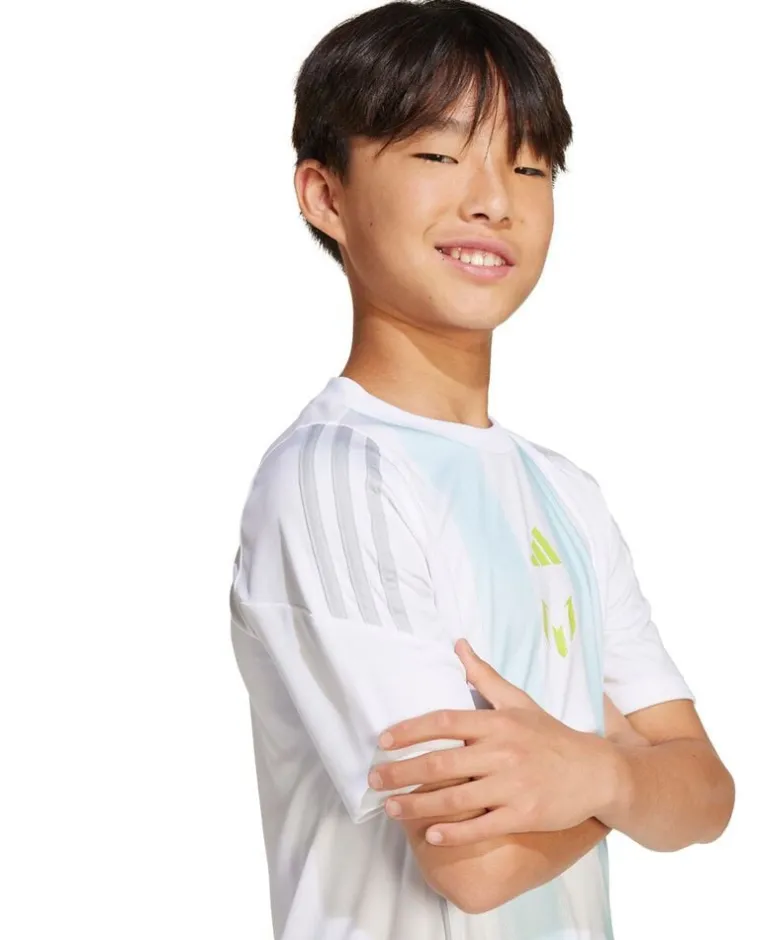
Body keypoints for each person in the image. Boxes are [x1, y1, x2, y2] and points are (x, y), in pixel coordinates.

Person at [228, 1, 735, 937]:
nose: (494, 198)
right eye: (438, 153)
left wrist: (596, 771)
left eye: (530, 165)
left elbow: (708, 793)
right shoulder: (334, 478)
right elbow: (476, 866)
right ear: (325, 195)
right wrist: (627, 776)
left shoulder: (564, 491)